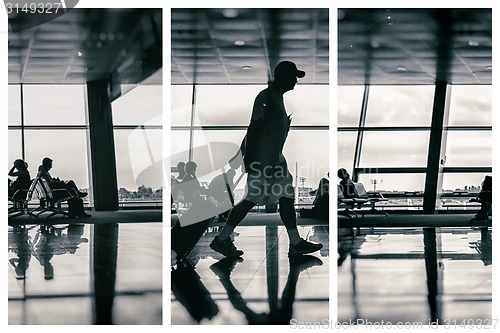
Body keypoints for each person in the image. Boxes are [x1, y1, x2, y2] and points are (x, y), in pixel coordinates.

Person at [210, 61, 323, 258]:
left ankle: (295, 242)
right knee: (250, 200)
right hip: (263, 161)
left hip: (275, 160)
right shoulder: (266, 97)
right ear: (282, 76)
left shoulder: (277, 98)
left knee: (287, 196)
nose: (296, 80)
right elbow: (253, 128)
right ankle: (222, 239)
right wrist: (246, 157)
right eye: (293, 76)